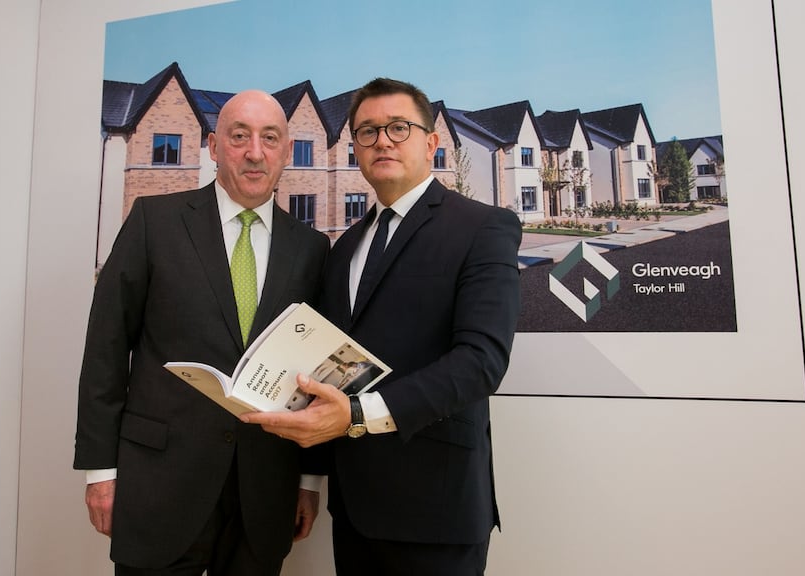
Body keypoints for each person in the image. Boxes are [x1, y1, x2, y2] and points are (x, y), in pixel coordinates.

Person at [242, 78, 521, 576]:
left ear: (432, 142)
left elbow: (482, 363)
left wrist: (356, 414)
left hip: (438, 511)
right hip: (354, 512)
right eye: (367, 132)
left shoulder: (483, 227)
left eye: (398, 127)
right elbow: (329, 367)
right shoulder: (343, 248)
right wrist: (311, 482)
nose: (383, 141)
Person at [74, 90, 329, 576]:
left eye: (269, 138)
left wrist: (309, 481)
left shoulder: (313, 249)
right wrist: (100, 472)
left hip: (264, 491)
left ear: (285, 148)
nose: (255, 151)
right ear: (214, 146)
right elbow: (105, 348)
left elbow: (319, 371)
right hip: (159, 485)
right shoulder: (154, 222)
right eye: (239, 136)